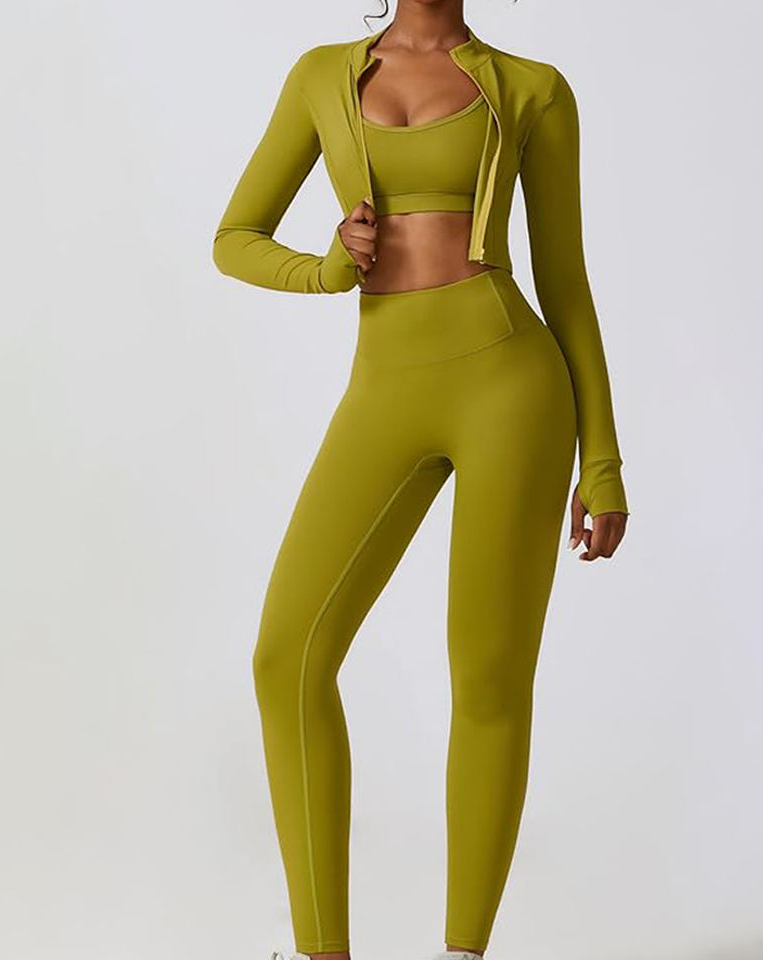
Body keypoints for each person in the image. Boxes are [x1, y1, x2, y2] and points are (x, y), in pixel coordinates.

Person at [212, 2, 630, 958]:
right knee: (287, 657)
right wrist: (326, 270)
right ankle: (322, 951)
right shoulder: (321, 74)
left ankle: (462, 953)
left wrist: (602, 463)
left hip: (510, 388)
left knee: (488, 677)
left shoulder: (532, 89)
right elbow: (235, 236)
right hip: (384, 387)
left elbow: (566, 283)